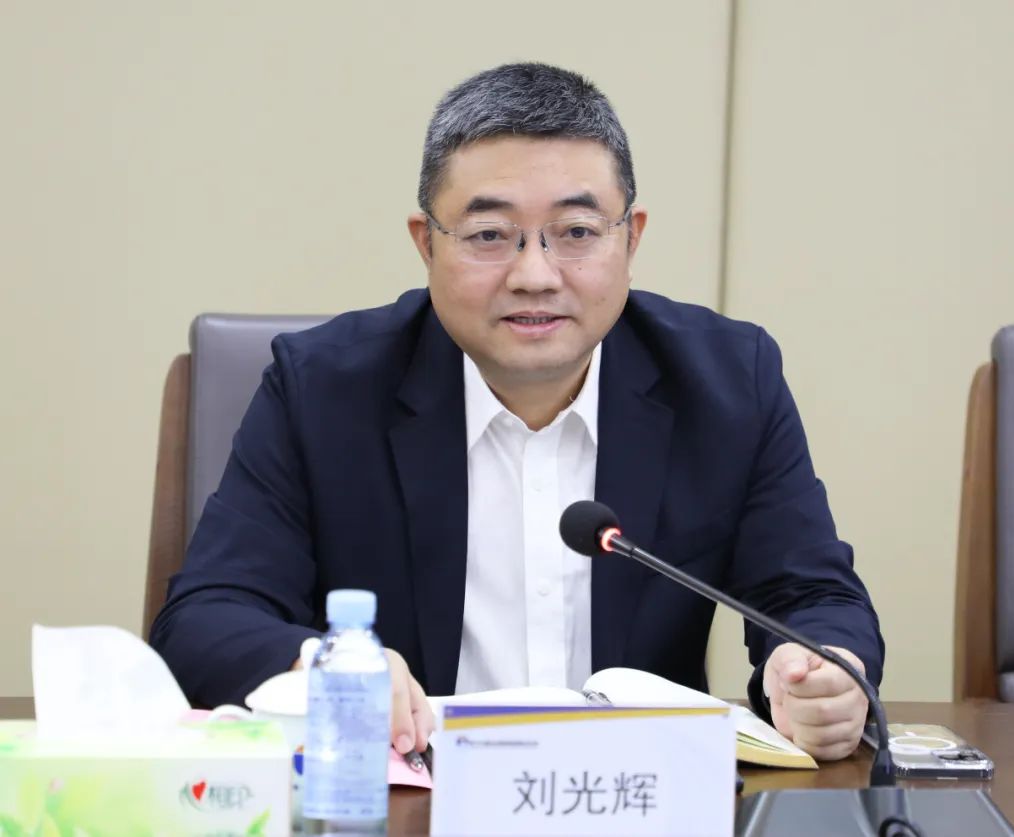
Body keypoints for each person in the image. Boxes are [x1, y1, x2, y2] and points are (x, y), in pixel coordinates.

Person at [150, 62, 884, 764]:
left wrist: (822, 672)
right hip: (410, 804)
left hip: (638, 802)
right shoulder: (323, 391)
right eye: (489, 236)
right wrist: (323, 667)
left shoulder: (726, 383)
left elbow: (812, 595)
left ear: (631, 238)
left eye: (576, 232)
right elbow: (205, 619)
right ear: (426, 244)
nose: (535, 275)